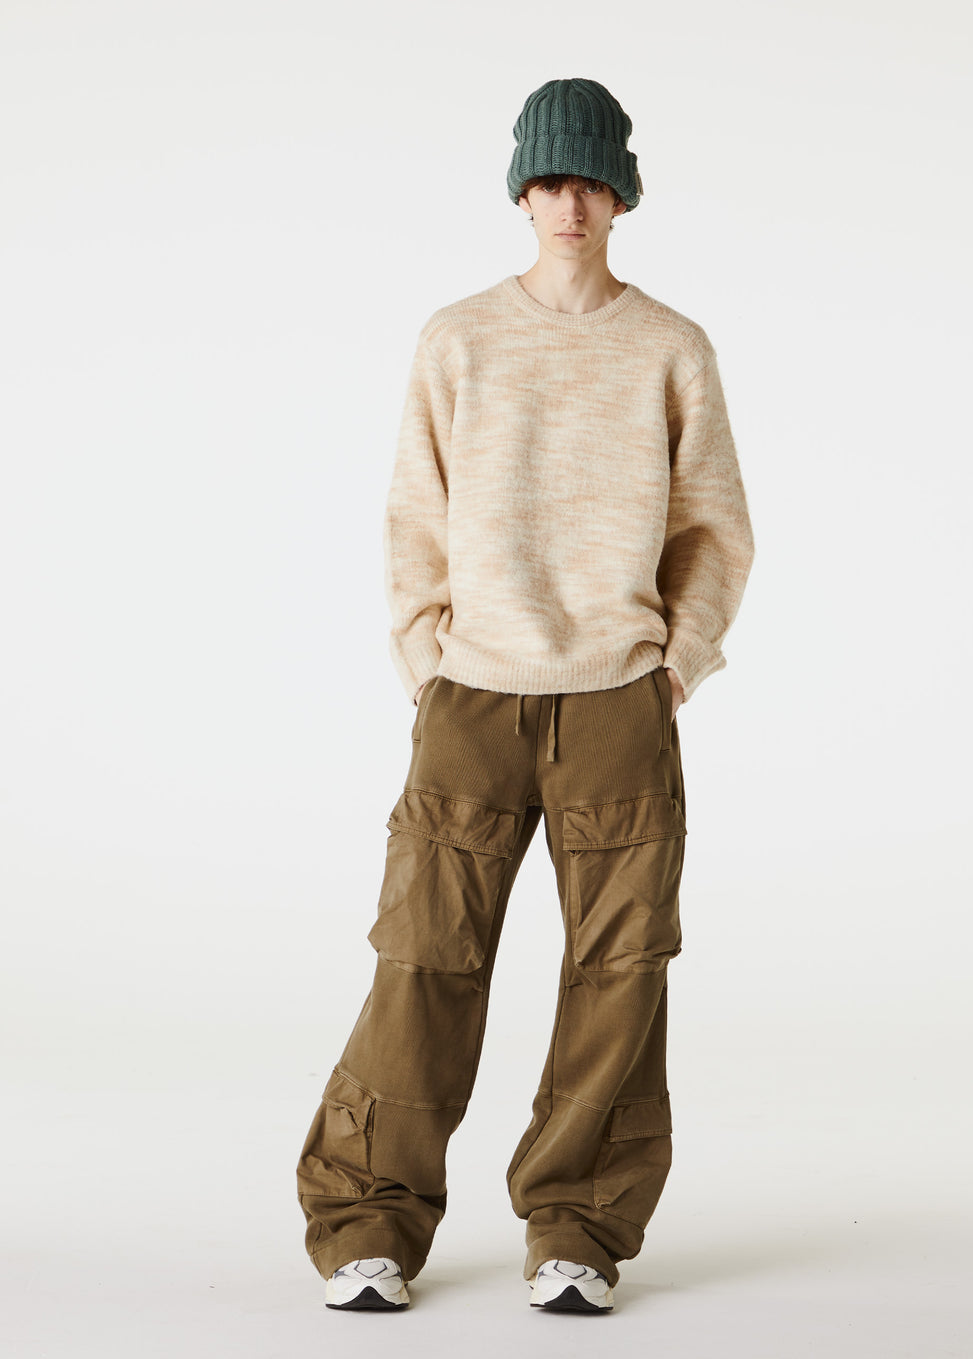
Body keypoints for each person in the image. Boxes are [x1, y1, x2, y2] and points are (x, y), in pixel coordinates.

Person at [296, 75, 755, 1315]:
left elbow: (716, 528)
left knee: (621, 972)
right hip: (472, 697)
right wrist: (425, 660)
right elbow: (415, 514)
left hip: (619, 702)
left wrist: (676, 664)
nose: (570, 202)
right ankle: (369, 1221)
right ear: (521, 191)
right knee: (422, 960)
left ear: (623, 194)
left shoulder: (671, 348)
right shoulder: (459, 338)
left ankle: (580, 1228)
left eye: (592, 180)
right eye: (550, 180)